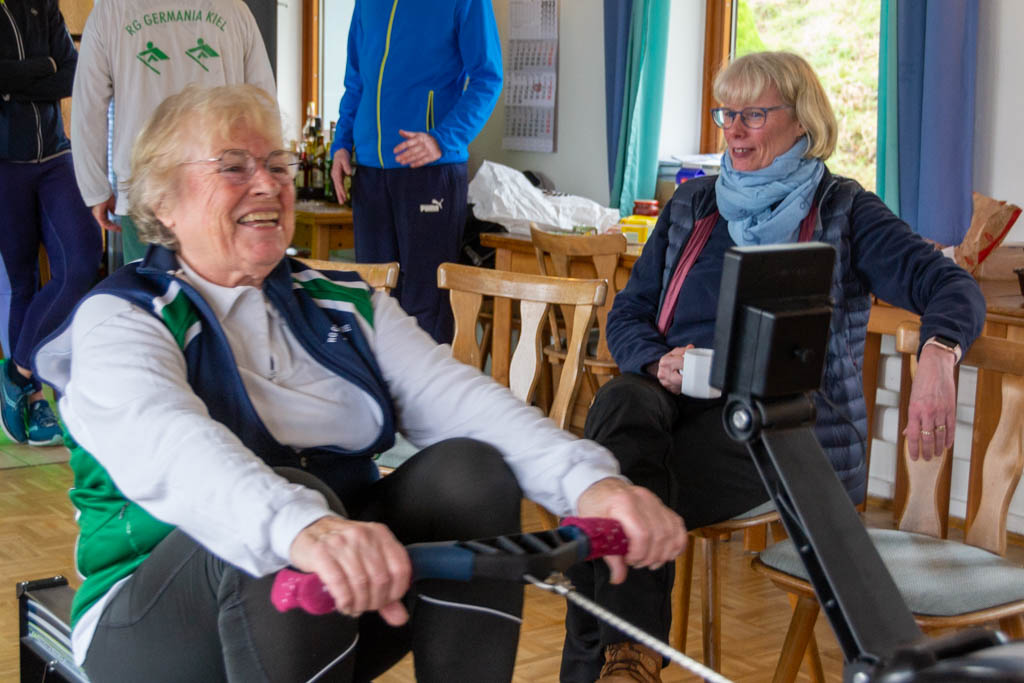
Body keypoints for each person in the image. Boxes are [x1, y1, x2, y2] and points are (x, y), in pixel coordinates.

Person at [33, 83, 686, 682]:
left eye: (279, 166)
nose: (267, 184)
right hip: (155, 631)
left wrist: (589, 482)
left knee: (470, 470)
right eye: (234, 167)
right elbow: (168, 441)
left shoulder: (341, 299)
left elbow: (454, 397)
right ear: (161, 202)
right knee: (297, 497)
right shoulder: (121, 314)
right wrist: (300, 525)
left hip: (328, 599)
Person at [559, 51, 987, 683]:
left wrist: (939, 354)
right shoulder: (693, 205)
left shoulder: (845, 211)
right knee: (621, 410)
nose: (732, 129)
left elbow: (950, 287)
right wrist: (659, 360)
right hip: (673, 407)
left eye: (752, 115)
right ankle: (630, 660)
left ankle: (620, 662)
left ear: (802, 122)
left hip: (786, 433)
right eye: (726, 113)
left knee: (603, 482)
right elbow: (628, 314)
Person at [329, 0, 502, 344]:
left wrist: (443, 139)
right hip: (370, 174)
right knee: (374, 300)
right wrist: (341, 144)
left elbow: (487, 78)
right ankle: (382, 397)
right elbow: (356, 81)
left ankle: (428, 398)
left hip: (430, 171)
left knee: (426, 307)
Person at [70, 0, 275, 265]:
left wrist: (95, 190)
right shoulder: (234, 9)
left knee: (150, 298)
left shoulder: (111, 10)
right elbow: (263, 104)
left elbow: (88, 108)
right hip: (221, 182)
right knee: (220, 297)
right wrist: (267, 179)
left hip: (146, 185)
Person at [0, 0, 103, 446]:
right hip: (5, 163)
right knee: (23, 282)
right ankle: (35, 397)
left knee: (82, 261)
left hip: (57, 157)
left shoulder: (45, 4)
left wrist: (19, 79)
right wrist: (41, 68)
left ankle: (18, 371)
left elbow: (71, 72)